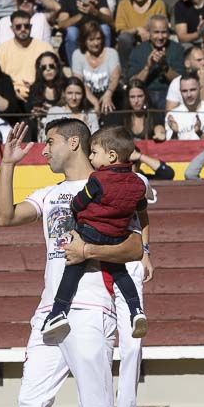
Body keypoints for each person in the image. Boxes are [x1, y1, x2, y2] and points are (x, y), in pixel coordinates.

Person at [0, 119, 144, 407]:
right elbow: (4, 217)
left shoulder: (108, 184)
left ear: (73, 142)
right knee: (31, 401)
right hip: (50, 311)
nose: (44, 150)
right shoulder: (49, 194)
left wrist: (89, 249)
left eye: (51, 142)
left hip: (92, 306)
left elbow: (135, 245)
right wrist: (7, 166)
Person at [42, 126, 147, 343]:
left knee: (72, 267)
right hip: (116, 236)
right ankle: (136, 309)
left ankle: (58, 311)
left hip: (90, 232)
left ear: (111, 156)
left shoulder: (98, 179)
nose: (91, 157)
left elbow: (79, 203)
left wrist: (76, 210)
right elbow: (140, 206)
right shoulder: (137, 182)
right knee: (121, 273)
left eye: (94, 153)